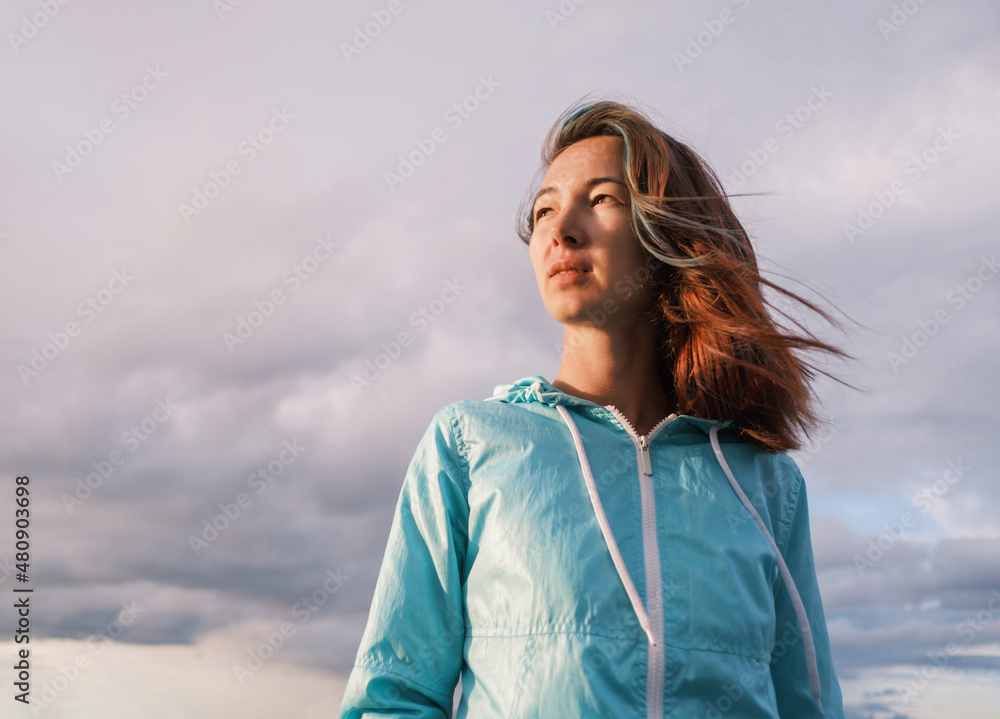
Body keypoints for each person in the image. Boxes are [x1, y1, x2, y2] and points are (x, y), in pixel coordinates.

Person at [340, 97, 850, 718]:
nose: (561, 229)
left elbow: (809, 705)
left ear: (666, 232)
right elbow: (393, 698)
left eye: (602, 198)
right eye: (545, 209)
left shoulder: (767, 483)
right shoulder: (470, 445)